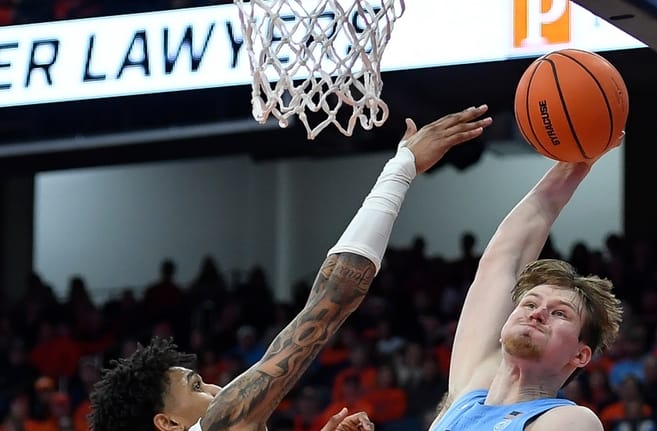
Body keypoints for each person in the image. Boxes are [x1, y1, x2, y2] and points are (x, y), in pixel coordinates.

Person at [87, 105, 493, 431]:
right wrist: (400, 169)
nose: (215, 387)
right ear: (168, 423)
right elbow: (334, 296)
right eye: (196, 386)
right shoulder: (216, 423)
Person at [429, 141, 624, 431]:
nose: (536, 313)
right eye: (530, 303)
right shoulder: (468, 391)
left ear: (580, 355)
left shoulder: (570, 420)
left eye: (560, 313)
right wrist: (574, 162)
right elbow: (504, 258)